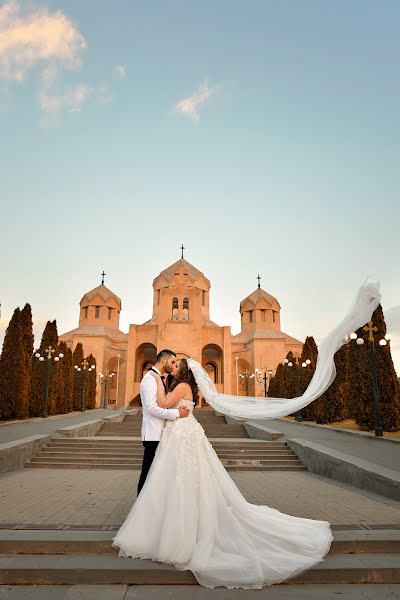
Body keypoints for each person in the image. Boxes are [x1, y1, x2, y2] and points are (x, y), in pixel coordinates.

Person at [112, 358, 333, 589]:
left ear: (184, 371)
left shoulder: (180, 386)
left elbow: (164, 403)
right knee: (183, 478)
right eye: (173, 363)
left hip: (181, 435)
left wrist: (157, 380)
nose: (173, 366)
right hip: (183, 433)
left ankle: (179, 532)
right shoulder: (186, 386)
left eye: (177, 364)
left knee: (181, 478)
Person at [136, 349, 189, 496]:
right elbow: (152, 408)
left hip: (162, 434)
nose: (173, 365)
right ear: (164, 360)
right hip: (153, 435)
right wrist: (176, 413)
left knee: (156, 476)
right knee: (148, 474)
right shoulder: (149, 379)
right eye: (172, 362)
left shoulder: (157, 378)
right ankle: (140, 510)